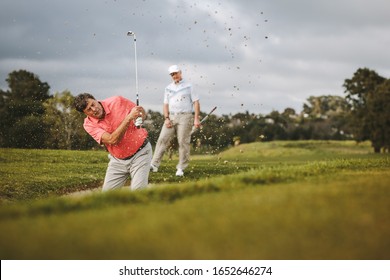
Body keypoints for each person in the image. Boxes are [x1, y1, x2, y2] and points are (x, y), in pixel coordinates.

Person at [74, 93, 152, 191]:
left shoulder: (117, 101)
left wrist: (140, 115)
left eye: (93, 104)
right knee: (106, 197)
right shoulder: (88, 125)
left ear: (95, 99)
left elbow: (141, 113)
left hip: (141, 153)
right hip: (118, 161)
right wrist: (128, 118)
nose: (94, 109)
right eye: (89, 109)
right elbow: (112, 140)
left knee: (138, 192)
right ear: (85, 113)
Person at [150, 65, 200, 176]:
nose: (174, 76)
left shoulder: (189, 86)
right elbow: (165, 104)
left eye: (176, 73)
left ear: (180, 72)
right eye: (172, 74)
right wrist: (166, 118)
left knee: (183, 141)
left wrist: (196, 118)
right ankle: (154, 165)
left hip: (185, 116)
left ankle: (181, 168)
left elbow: (196, 102)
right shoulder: (168, 88)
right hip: (171, 117)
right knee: (162, 139)